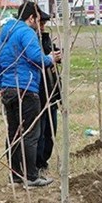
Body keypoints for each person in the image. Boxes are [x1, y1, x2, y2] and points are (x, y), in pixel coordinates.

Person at [0, 1, 61, 187]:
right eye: (39, 19)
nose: (39, 24)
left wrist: (2, 86)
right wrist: (51, 58)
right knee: (30, 133)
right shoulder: (27, 32)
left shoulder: (4, 34)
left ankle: (15, 176)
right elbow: (37, 58)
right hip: (27, 89)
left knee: (13, 133)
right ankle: (31, 176)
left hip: (9, 91)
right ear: (31, 18)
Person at [35, 11, 61, 176]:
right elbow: (37, 60)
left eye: (44, 24)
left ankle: (44, 161)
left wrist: (58, 55)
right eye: (40, 23)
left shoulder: (45, 39)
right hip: (39, 91)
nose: (42, 27)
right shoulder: (30, 41)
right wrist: (48, 58)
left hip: (51, 90)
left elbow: (53, 54)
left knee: (51, 131)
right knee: (40, 131)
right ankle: (37, 163)